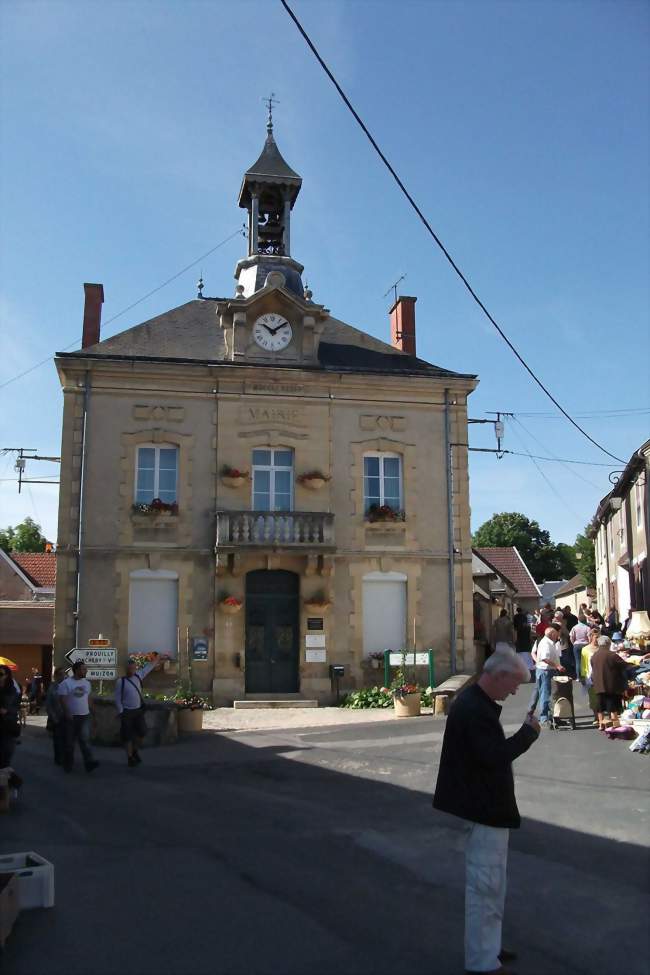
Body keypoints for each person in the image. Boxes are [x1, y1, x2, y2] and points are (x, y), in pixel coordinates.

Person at [433, 651, 540, 975]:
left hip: (484, 807)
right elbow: (493, 756)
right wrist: (527, 734)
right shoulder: (474, 709)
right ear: (498, 675)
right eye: (514, 684)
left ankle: (488, 948)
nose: (514, 692)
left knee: (493, 885)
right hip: (482, 809)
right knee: (485, 886)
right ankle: (482, 962)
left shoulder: (475, 704)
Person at [115, 653, 168, 767]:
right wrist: (121, 711)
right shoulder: (121, 682)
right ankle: (130, 757)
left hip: (138, 710)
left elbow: (148, 668)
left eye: (133, 668)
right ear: (126, 669)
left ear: (135, 669)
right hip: (127, 712)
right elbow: (118, 698)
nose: (131, 670)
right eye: (129, 668)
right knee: (127, 736)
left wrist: (157, 659)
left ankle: (134, 750)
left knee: (142, 732)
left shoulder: (138, 676)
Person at [58, 660, 99, 773]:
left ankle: (89, 763)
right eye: (83, 669)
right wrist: (67, 713)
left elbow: (88, 699)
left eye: (86, 669)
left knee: (84, 740)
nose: (85, 671)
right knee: (69, 743)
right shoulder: (66, 683)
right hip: (71, 717)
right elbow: (62, 700)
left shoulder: (87, 683)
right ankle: (68, 764)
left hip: (84, 716)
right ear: (76, 670)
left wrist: (93, 713)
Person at [590, 635, 628, 730]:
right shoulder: (612, 655)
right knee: (612, 704)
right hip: (610, 684)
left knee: (600, 705)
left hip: (598, 684)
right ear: (608, 644)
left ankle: (601, 724)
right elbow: (623, 665)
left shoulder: (594, 655)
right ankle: (615, 723)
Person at [531, 626, 564, 726]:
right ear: (552, 634)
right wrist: (557, 666)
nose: (558, 635)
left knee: (549, 694)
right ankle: (544, 717)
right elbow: (545, 658)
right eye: (556, 633)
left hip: (548, 670)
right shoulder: (546, 643)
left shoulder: (550, 642)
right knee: (545, 693)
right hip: (546, 671)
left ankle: (551, 716)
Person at [45, 667, 67, 766]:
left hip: (68, 717)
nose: (63, 676)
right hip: (57, 718)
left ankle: (67, 758)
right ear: (56, 676)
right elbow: (48, 705)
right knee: (57, 740)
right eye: (61, 674)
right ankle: (58, 759)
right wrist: (53, 717)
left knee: (67, 740)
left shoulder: (68, 686)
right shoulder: (52, 687)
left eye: (64, 674)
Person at [569, 617, 591, 683]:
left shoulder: (574, 627)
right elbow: (589, 637)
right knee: (586, 661)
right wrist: (589, 644)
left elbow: (571, 637)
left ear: (578, 620)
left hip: (577, 645)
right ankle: (586, 676)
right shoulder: (587, 628)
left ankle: (578, 677)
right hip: (585, 645)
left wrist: (574, 643)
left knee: (578, 661)